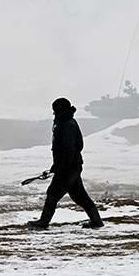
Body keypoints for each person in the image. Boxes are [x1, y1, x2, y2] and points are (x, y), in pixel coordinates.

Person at [27, 97, 104, 230]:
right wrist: (55, 166)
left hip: (68, 168)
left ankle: (44, 222)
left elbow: (69, 149)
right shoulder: (66, 122)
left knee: (52, 194)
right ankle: (96, 221)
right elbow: (71, 148)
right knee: (80, 196)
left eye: (54, 110)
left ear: (59, 110)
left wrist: (61, 168)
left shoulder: (67, 124)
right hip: (71, 167)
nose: (53, 113)